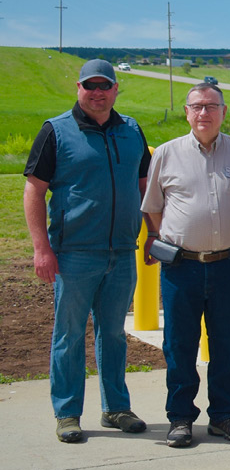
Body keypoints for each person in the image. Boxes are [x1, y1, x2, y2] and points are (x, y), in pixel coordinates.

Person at [23, 59, 153, 443]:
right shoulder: (56, 131)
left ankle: (116, 408)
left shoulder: (132, 131)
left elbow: (144, 186)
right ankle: (67, 412)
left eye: (105, 86)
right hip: (73, 253)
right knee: (69, 334)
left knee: (113, 334)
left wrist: (152, 235)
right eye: (90, 86)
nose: (97, 93)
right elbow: (34, 190)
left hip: (121, 251)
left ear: (115, 90)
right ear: (78, 88)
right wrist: (41, 249)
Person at [141, 83, 230, 448]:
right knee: (179, 345)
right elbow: (152, 207)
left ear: (223, 112)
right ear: (186, 112)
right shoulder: (165, 154)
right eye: (196, 106)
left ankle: (225, 416)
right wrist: (160, 236)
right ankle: (180, 418)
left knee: (227, 344)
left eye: (212, 106)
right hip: (182, 268)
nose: (204, 114)